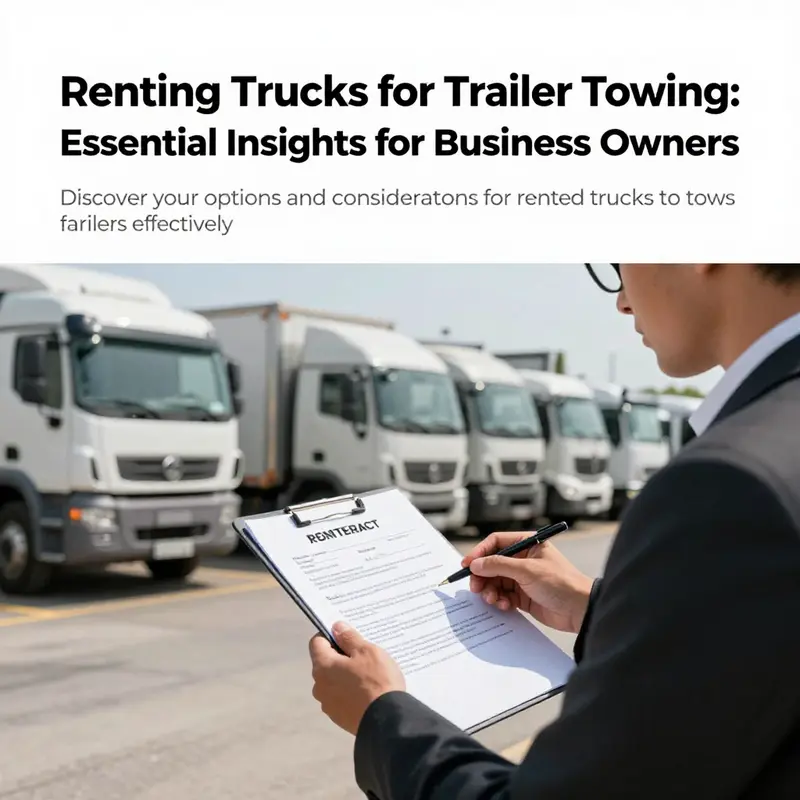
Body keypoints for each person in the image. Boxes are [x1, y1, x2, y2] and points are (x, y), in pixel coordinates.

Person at [308, 264, 800, 799]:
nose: (622, 302)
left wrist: (382, 719)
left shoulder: (729, 483)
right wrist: (596, 608)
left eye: (617, 265)